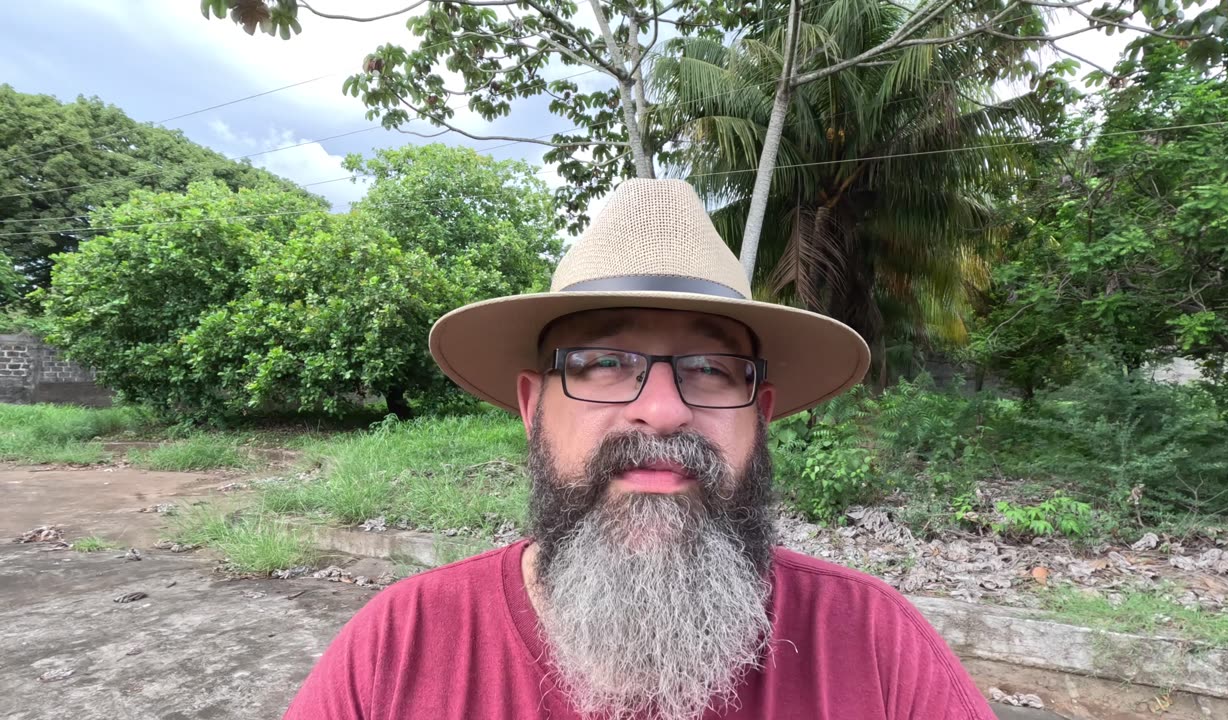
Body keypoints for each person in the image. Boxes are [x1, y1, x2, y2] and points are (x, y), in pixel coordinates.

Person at [283, 179, 997, 720]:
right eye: (600, 363)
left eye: (712, 371)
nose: (660, 410)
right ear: (533, 409)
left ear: (761, 416)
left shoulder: (876, 647)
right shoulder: (397, 650)